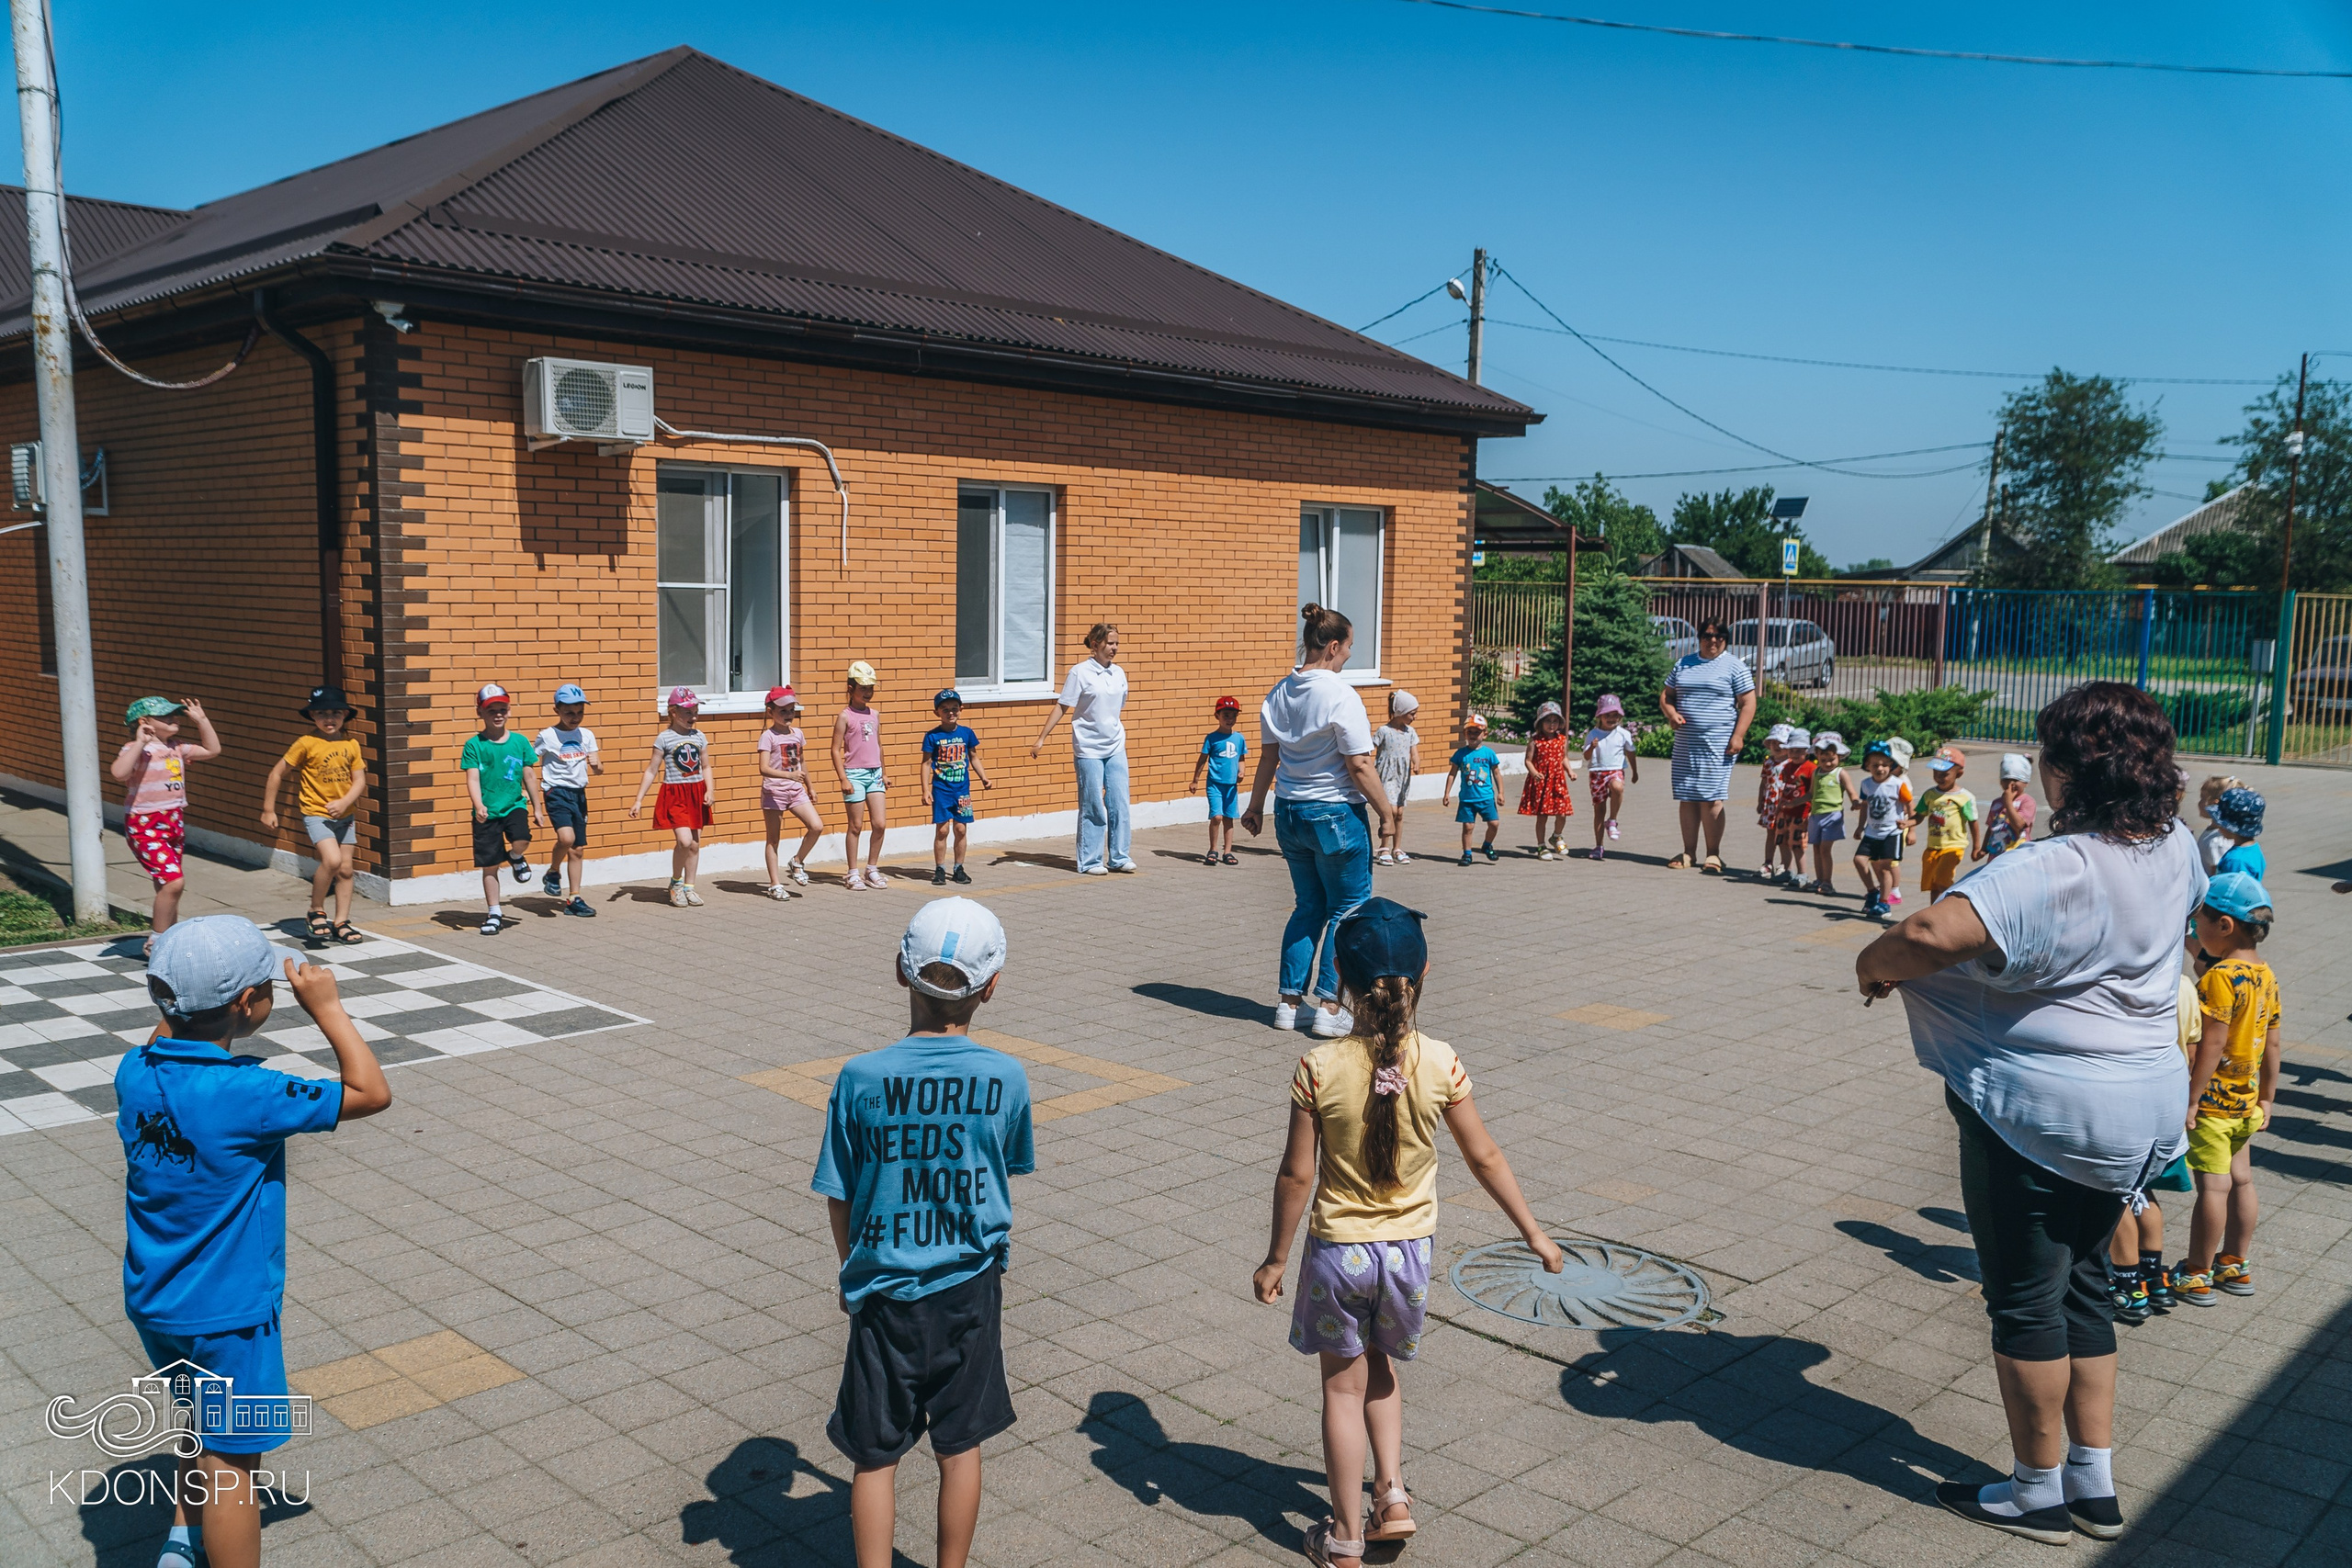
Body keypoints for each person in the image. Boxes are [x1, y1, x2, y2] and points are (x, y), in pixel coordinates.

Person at [1856, 681, 2202, 1547]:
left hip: (2045, 1113)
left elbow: (1933, 935)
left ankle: (2034, 1490)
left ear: (2066, 770)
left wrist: (1873, 960)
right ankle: (2094, 1481)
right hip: (2142, 1112)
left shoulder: (2053, 864)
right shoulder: (2175, 844)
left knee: (2024, 1301)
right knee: (2086, 1285)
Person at [1251, 897, 1564, 1568]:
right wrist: (1534, 1232)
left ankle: (1343, 1537)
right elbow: (1485, 1156)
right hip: (1409, 1257)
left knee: (1342, 1386)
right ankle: (1391, 1495)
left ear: (1340, 979)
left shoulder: (1317, 1066)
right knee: (1384, 1369)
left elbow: (1295, 1175)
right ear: (1422, 977)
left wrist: (1277, 1257)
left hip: (1338, 1255)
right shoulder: (1442, 1061)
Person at [118, 916, 390, 1568]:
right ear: (247, 1004)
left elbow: (170, 1026)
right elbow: (369, 1090)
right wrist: (328, 1008)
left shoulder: (134, 1070)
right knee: (235, 1463)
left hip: (157, 1298)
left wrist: (175, 978)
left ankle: (182, 1541)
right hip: (232, 1314)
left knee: (196, 1415)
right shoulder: (251, 1091)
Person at [812, 898, 1032, 1568]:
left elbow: (839, 1194)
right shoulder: (1006, 1076)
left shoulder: (858, 1078)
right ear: (992, 987)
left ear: (899, 973)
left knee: (874, 1454)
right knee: (960, 1445)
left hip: (884, 1287)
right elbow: (1005, 1166)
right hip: (970, 1285)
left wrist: (853, 1270)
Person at [1239, 604, 1399, 1039]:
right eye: (1348, 649)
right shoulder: (1340, 695)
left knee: (1308, 907)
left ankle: (1289, 1004)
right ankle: (1330, 1006)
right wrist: (1387, 813)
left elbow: (1269, 758)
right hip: (1335, 815)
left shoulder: (1278, 693)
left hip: (1289, 812)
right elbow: (1360, 765)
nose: (1348, 657)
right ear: (1332, 646)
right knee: (1347, 910)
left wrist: (1254, 807)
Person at [2175, 872, 2281, 1309]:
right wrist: (2268, 1097)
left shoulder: (2220, 978)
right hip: (2247, 1102)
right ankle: (2234, 1262)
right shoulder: (2265, 974)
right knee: (2242, 1181)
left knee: (2213, 1188)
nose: (2195, 929)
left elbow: (2212, 1043)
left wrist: (2193, 1098)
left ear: (2225, 926)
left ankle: (2197, 1272)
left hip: (2215, 1104)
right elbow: (2273, 1040)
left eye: (2200, 921)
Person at [258, 687, 365, 944]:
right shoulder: (306, 743)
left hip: (345, 815)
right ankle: (316, 910)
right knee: (331, 860)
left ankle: (341, 922)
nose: (329, 718)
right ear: (312, 717)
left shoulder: (351, 744)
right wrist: (268, 809)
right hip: (317, 813)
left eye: (335, 713)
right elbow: (276, 773)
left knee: (347, 870)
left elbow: (359, 780)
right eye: (321, 713)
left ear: (345, 716)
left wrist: (345, 801)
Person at [113, 696, 223, 945]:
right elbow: (119, 773)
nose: (173, 719)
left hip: (173, 821)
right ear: (144, 722)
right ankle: (158, 940)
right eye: (164, 716)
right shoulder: (135, 749)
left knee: (166, 883)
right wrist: (140, 742)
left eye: (174, 714)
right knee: (174, 882)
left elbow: (213, 750)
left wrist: (202, 720)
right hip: (145, 824)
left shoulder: (177, 747)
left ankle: (170, 935)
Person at [1032, 624, 1133, 875]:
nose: (1115, 648)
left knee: (1119, 802)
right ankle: (1090, 861)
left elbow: (1118, 705)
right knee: (1093, 804)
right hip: (1088, 748)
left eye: (1117, 643)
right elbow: (1062, 706)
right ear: (1096, 644)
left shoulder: (1119, 673)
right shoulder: (1080, 672)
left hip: (1115, 745)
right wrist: (1041, 738)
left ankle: (1119, 857)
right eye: (1110, 643)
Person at [1659, 618, 1758, 873]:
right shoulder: (1684, 663)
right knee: (1688, 797)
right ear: (1699, 637)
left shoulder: (1735, 666)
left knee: (1712, 797)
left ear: (1725, 639)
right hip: (1686, 742)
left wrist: (1739, 735)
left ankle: (1713, 854)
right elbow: (1667, 696)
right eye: (1707, 635)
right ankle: (1688, 852)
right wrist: (1671, 714)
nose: (1712, 641)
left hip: (1718, 743)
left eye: (1719, 636)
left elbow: (1748, 703)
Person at [460, 683, 544, 936]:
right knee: (490, 865)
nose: (498, 714)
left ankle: (516, 857)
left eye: (502, 709)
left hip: (514, 805)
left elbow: (529, 776)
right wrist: (479, 805)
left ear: (509, 711)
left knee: (522, 838)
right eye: (491, 710)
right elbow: (472, 778)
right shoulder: (474, 745)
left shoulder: (519, 742)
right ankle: (494, 912)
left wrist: (538, 807)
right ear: (480, 713)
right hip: (487, 812)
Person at [628, 687, 712, 908]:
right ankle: (676, 883)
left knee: (694, 844)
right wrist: (638, 799)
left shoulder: (699, 736)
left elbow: (706, 766)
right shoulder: (664, 738)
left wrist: (710, 790)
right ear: (673, 712)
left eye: (695, 712)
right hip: (675, 793)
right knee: (683, 841)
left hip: (696, 792)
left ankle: (690, 887)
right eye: (688, 713)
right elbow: (651, 770)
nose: (693, 717)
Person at [533, 683, 600, 918]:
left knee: (577, 849)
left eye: (580, 712)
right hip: (556, 792)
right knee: (566, 838)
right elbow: (530, 762)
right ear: (557, 710)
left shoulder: (587, 735)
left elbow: (599, 769)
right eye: (570, 713)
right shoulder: (548, 736)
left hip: (579, 794)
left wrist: (596, 765)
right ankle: (553, 870)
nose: (575, 718)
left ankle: (574, 898)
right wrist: (526, 793)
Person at [758, 686, 824, 899]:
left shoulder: (798, 734)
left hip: (796, 790)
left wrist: (810, 786)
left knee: (816, 826)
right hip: (774, 792)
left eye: (791, 710)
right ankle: (775, 884)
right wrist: (788, 776)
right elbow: (763, 768)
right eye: (783, 711)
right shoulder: (768, 736)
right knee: (773, 839)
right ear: (771, 712)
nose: (788, 715)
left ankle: (797, 861)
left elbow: (801, 762)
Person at [923, 690, 990, 886]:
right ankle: (939, 869)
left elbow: (973, 757)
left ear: (961, 710)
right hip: (941, 790)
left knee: (961, 829)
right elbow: (926, 764)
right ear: (937, 712)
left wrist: (984, 777)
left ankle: (959, 867)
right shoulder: (932, 736)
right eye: (945, 709)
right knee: (942, 830)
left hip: (962, 790)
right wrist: (925, 790)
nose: (950, 713)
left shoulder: (966, 733)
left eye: (954, 709)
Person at [833, 662, 890, 891]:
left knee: (880, 823)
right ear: (851, 688)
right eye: (863, 688)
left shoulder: (874, 714)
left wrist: (884, 772)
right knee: (855, 825)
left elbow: (879, 745)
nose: (868, 692)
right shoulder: (845, 716)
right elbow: (835, 749)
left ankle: (872, 868)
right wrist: (843, 779)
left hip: (874, 773)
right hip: (854, 774)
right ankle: (852, 872)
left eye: (871, 688)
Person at [1850, 740, 1914, 919]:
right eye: (1875, 765)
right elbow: (1864, 806)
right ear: (1867, 766)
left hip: (1891, 833)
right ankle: (1872, 892)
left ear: (1891, 765)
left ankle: (1884, 904)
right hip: (1871, 832)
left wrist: (1911, 827)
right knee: (1859, 860)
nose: (1880, 769)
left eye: (1885, 765)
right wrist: (1860, 827)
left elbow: (1909, 804)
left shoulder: (1897, 784)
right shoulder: (1866, 784)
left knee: (1885, 868)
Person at [1192, 696, 1250, 866]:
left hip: (1231, 786)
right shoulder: (1211, 738)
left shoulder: (1239, 738)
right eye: (1226, 715)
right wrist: (1195, 780)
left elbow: (1241, 758)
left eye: (1233, 716)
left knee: (1229, 817)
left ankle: (1228, 852)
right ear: (1217, 716)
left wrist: (1242, 771)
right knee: (1217, 817)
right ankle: (1213, 849)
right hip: (1214, 784)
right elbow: (1202, 760)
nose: (1229, 720)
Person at [1916, 747, 1980, 899]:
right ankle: (1934, 913)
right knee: (1933, 885)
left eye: (1944, 774)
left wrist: (1977, 847)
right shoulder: (1930, 794)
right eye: (1936, 773)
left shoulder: (1965, 797)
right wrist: (1907, 824)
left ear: (1959, 773)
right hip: (1933, 846)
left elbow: (1973, 822)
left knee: (1942, 879)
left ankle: (1956, 903)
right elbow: (1919, 815)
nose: (1939, 777)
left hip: (1954, 846)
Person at [1581, 694, 1638, 861]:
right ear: (1600, 716)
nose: (1612, 719)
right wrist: (1592, 747)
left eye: (1615, 715)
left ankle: (1612, 820)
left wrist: (1635, 772)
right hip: (1597, 772)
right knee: (1599, 810)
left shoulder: (1623, 734)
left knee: (1618, 787)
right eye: (1608, 715)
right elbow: (1586, 757)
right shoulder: (1593, 734)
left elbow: (1631, 752)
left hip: (1615, 770)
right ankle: (1599, 846)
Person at [1515, 702, 1576, 859]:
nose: (1551, 724)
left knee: (1562, 813)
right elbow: (1528, 760)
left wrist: (1570, 771)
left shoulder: (1562, 740)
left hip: (1557, 781)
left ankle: (1557, 836)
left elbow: (1564, 758)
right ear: (1540, 723)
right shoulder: (1535, 741)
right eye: (1548, 721)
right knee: (1543, 815)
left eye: (1555, 721)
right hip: (1542, 783)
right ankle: (1541, 846)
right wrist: (1534, 773)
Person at [1442, 716, 1503, 866]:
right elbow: (1452, 774)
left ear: (1485, 734)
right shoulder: (1460, 754)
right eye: (1470, 732)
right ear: (1465, 734)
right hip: (1467, 799)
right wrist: (1447, 793)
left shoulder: (1489, 753)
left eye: (1477, 732)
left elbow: (1496, 773)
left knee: (1494, 823)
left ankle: (1487, 845)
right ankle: (1467, 854)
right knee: (1468, 827)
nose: (1473, 735)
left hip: (1486, 797)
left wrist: (1501, 792)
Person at [1373, 692, 1419, 866]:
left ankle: (1396, 848)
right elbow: (1371, 747)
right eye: (1412, 713)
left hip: (1402, 778)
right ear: (1400, 711)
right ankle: (1383, 847)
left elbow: (1414, 751)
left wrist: (1416, 762)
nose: (1414, 717)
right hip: (1386, 775)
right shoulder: (1384, 731)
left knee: (1399, 813)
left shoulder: (1410, 732)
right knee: (1389, 811)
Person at [1805, 732, 1853, 895]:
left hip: (1832, 815)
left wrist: (1856, 802)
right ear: (1817, 755)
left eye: (1831, 759)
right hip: (1816, 815)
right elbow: (1811, 793)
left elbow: (1851, 792)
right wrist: (1792, 803)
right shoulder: (1816, 773)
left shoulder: (1840, 773)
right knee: (1817, 849)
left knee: (1825, 849)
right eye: (1823, 759)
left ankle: (1827, 882)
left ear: (1838, 756)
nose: (1827, 763)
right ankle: (1819, 879)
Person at [1772, 728, 1815, 886]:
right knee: (1782, 840)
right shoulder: (1787, 767)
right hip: (1785, 811)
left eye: (1799, 750)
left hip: (1801, 812)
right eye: (1792, 750)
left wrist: (1798, 805)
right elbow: (1785, 788)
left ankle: (1802, 873)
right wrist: (1779, 807)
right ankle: (1787, 870)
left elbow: (1812, 793)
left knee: (1797, 843)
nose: (1795, 754)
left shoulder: (1811, 768)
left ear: (1807, 751)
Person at [1755, 724, 1794, 879]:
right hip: (1770, 804)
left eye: (1781, 743)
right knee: (1770, 835)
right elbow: (1764, 782)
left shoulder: (1791, 764)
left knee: (1784, 836)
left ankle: (1785, 865)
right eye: (1773, 742)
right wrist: (1760, 801)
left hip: (1784, 805)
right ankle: (1768, 863)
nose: (1777, 746)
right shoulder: (1768, 762)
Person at [1981, 753, 2037, 860]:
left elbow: (2019, 825)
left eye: (2016, 780)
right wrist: (1984, 849)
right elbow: (1991, 827)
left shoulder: (2028, 802)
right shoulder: (1996, 803)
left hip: (2017, 855)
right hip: (1996, 854)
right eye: (2006, 779)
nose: (2011, 784)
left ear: (2026, 782)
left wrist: (2008, 803)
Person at [2207, 786, 2266, 882]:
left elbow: (2234, 891)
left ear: (2230, 827)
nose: (2218, 826)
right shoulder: (2253, 849)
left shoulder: (2236, 861)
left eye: (2220, 823)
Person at [2193, 775, 2243, 873]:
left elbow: (2217, 875)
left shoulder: (2217, 842)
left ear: (2215, 804)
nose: (2199, 803)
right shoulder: (2213, 831)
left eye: (2202, 798)